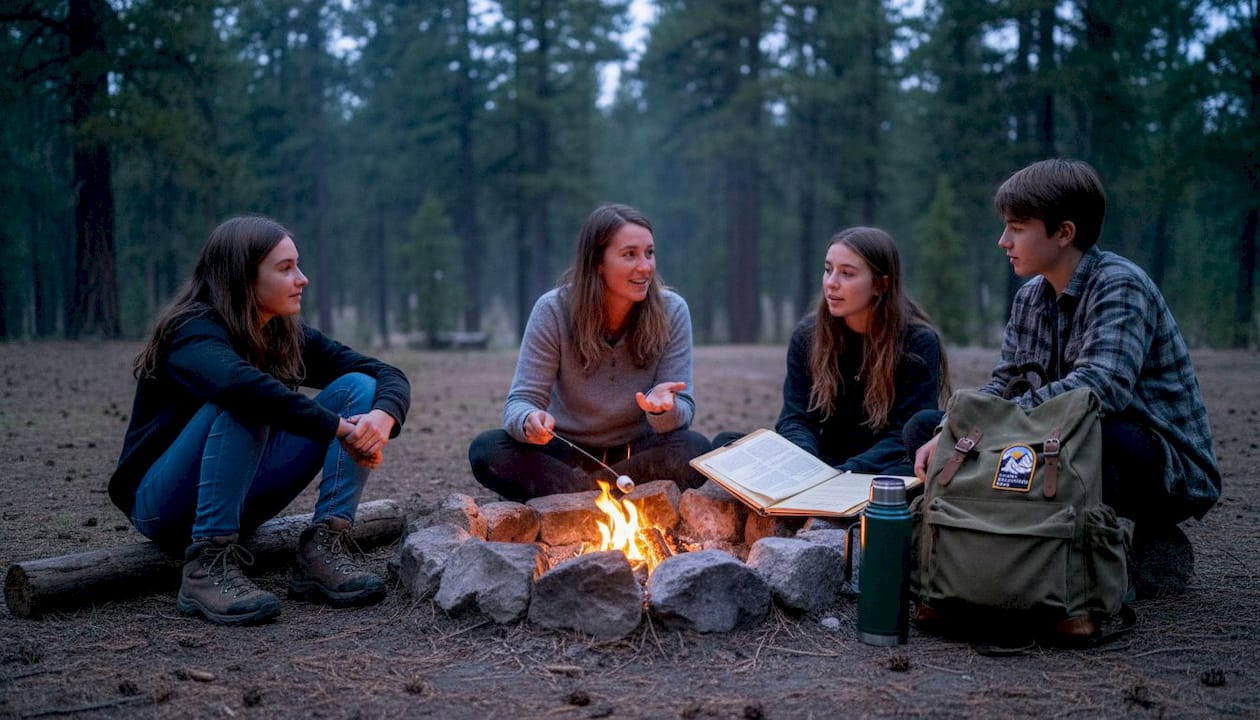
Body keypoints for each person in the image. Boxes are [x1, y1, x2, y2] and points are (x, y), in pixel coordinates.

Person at [906, 158, 1221, 595]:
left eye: (1017, 228)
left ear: (1064, 232)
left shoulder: (1120, 285)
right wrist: (953, 428)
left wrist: (990, 425)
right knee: (924, 429)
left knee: (1098, 433)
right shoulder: (1030, 297)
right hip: (1055, 441)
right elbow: (1005, 382)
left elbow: (1101, 389)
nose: (1003, 241)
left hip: (1156, 464)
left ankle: (1129, 541)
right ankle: (1006, 536)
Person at [110, 215, 411, 626]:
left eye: (298, 265)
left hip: (245, 495)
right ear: (242, 277)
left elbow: (384, 373)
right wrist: (342, 429)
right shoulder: (191, 330)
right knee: (248, 400)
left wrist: (381, 416)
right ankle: (205, 568)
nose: (301, 279)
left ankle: (323, 550)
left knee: (358, 385)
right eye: (285, 269)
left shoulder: (282, 330)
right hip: (163, 505)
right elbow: (240, 386)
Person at [468, 203, 710, 500]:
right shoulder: (553, 310)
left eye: (649, 252)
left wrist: (663, 409)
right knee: (487, 450)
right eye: (629, 254)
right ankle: (611, 496)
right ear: (598, 261)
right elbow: (521, 402)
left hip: (636, 451)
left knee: (695, 449)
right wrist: (529, 421)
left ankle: (575, 498)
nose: (645, 266)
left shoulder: (672, 311)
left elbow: (682, 412)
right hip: (565, 451)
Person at [713, 226, 949, 478]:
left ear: (881, 284)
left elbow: (904, 434)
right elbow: (796, 419)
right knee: (727, 444)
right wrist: (806, 467)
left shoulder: (918, 343)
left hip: (879, 467)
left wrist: (844, 472)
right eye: (828, 270)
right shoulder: (809, 335)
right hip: (821, 462)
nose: (832, 283)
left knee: (916, 468)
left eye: (847, 274)